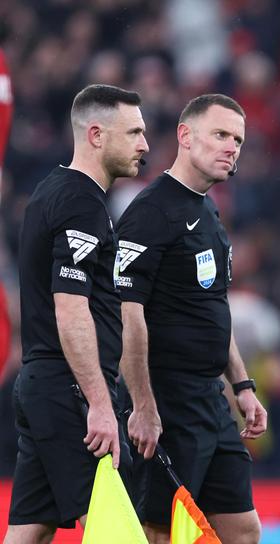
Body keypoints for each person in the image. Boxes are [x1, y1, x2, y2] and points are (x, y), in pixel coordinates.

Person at [115, 94, 266, 544]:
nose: (231, 148)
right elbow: (128, 316)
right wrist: (143, 406)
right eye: (220, 135)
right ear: (185, 135)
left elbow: (213, 310)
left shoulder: (209, 211)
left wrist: (241, 385)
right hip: (166, 399)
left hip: (209, 399)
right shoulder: (149, 212)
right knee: (158, 531)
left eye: (237, 140)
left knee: (243, 530)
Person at [5, 84, 148, 543]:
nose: (145, 145)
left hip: (44, 384)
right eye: (133, 133)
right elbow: (70, 309)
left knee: (28, 534)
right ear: (96, 135)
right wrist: (101, 405)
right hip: (72, 392)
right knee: (116, 535)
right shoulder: (81, 202)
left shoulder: (52, 192)